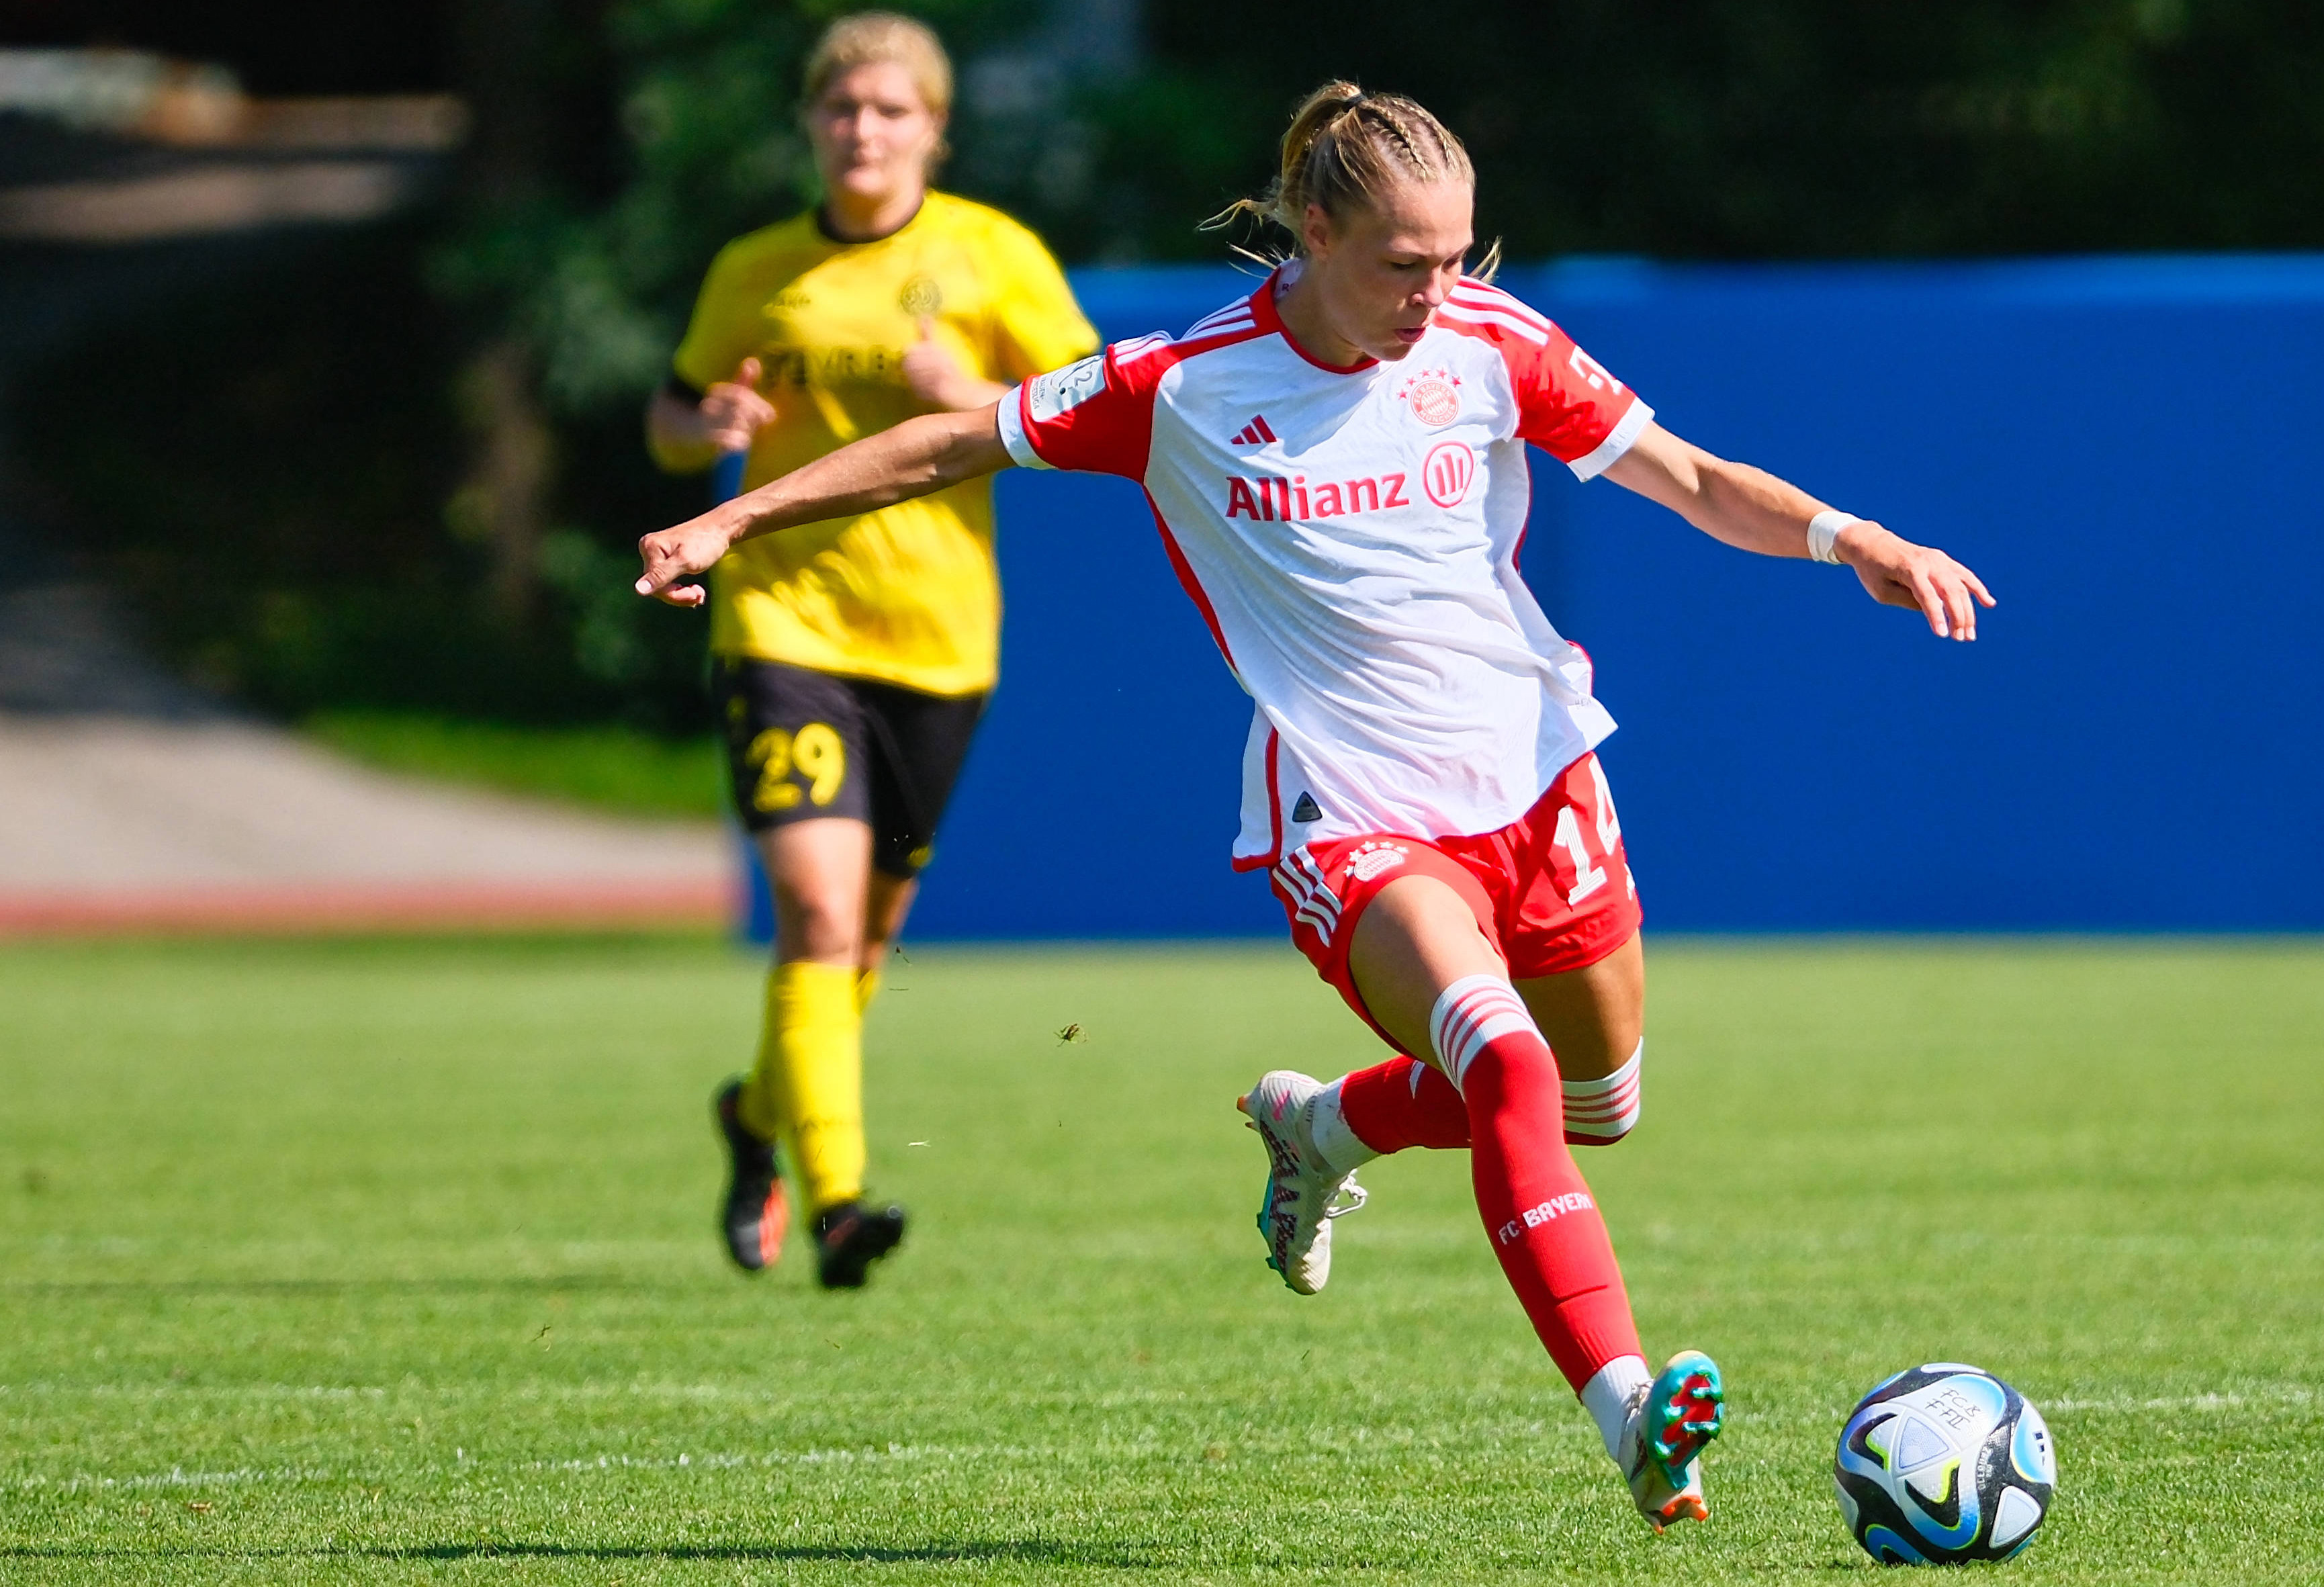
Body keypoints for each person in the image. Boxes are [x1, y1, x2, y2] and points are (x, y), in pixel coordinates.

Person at [632, 82, 1992, 1525]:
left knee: (1597, 1103)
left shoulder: (1491, 343)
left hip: (1538, 781)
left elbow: (1697, 479)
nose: (1438, 291)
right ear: (1317, 228)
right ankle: (1631, 1414)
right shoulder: (1180, 383)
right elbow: (943, 445)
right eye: (1405, 262)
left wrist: (1855, 539)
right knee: (1512, 1074)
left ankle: (1326, 1131)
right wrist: (730, 512)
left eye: (1458, 257)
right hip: (1351, 818)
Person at [644, 12, 1100, 1289]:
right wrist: (705, 425)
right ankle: (840, 1198)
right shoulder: (758, 265)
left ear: (934, 129)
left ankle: (755, 1119)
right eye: (842, 108)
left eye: (890, 111)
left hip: (938, 642)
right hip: (782, 622)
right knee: (816, 911)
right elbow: (674, 417)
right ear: (811, 122)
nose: (863, 131)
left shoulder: (991, 253)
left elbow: (1091, 420)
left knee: (862, 943)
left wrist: (963, 388)